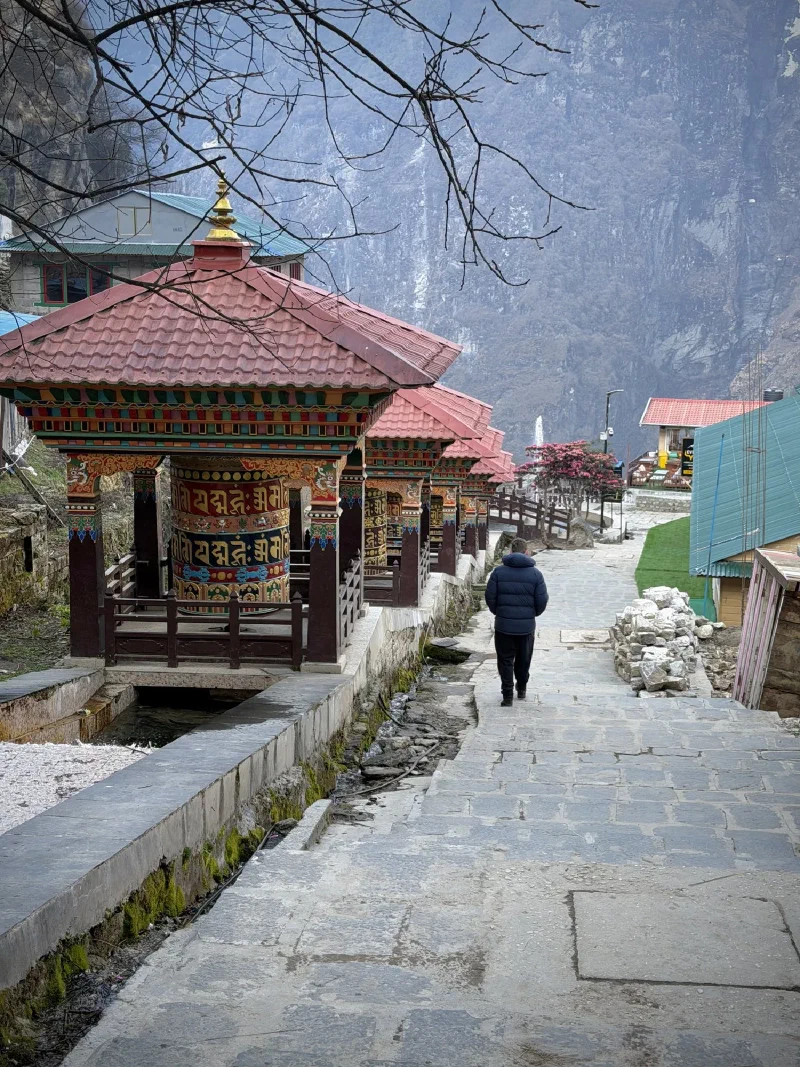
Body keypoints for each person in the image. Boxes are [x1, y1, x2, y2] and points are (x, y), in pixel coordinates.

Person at [484, 537, 548, 706]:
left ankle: (507, 696)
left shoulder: (498, 572)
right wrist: (532, 614)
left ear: (510, 551)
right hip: (526, 627)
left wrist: (499, 612)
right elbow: (541, 601)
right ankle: (522, 688)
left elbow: (490, 597)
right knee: (523, 659)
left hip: (503, 625)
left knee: (505, 659)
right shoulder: (536, 574)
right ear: (527, 552)